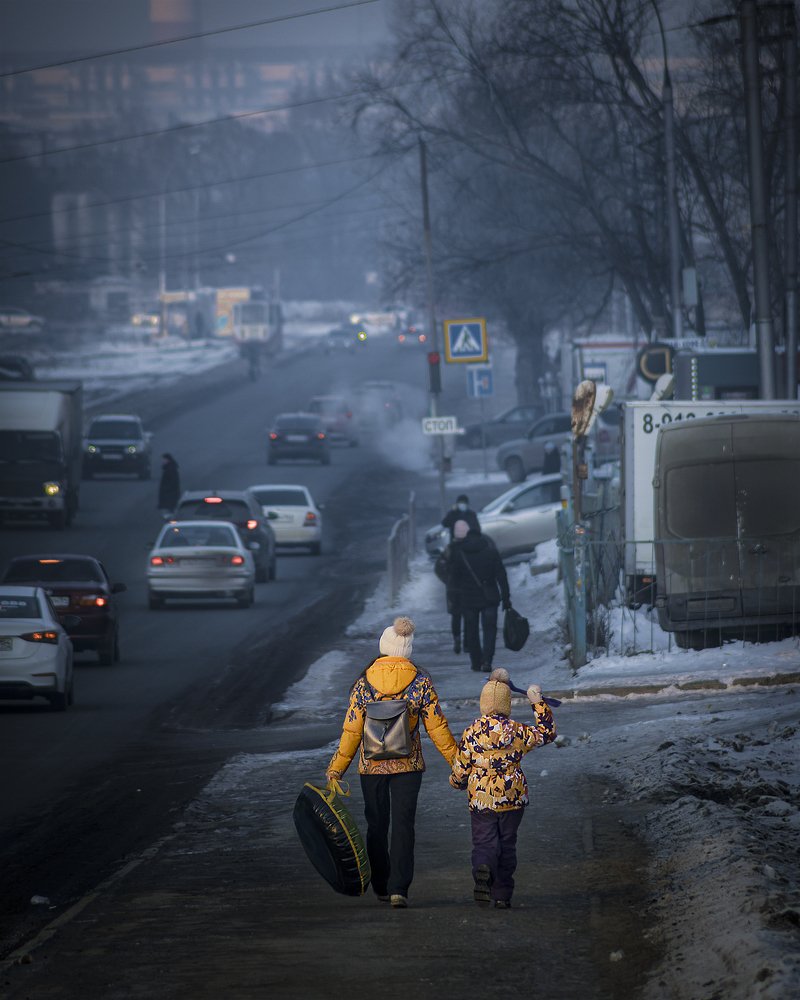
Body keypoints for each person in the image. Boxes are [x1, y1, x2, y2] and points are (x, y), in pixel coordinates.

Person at [326, 616, 457, 908]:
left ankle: (382, 885)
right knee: (403, 825)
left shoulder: (363, 683)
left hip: (371, 765)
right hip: (408, 765)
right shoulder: (420, 682)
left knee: (376, 824)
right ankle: (400, 889)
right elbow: (437, 727)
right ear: (408, 650)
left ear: (383, 647)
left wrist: (337, 768)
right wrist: (457, 761)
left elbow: (352, 730)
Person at [450, 668, 556, 908]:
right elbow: (547, 734)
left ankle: (483, 868)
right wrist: (537, 702)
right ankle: (502, 895)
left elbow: (461, 764)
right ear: (506, 704)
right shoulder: (517, 731)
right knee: (507, 844)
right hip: (512, 798)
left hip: (481, 799)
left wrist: (457, 782)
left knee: (484, 843)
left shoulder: (472, 732)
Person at [448, 524, 510, 671]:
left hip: (468, 599)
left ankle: (476, 662)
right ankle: (487, 661)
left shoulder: (460, 554)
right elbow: (501, 576)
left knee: (471, 631)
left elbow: (454, 580)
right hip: (490, 597)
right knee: (490, 630)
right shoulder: (491, 552)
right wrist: (506, 597)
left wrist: (454, 601)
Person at [434, 518, 470, 653]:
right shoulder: (470, 548)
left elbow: (438, 567)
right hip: (468, 588)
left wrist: (447, 580)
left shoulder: (449, 549)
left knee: (456, 616)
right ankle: (467, 643)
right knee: (468, 615)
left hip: (453, 588)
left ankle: (457, 639)